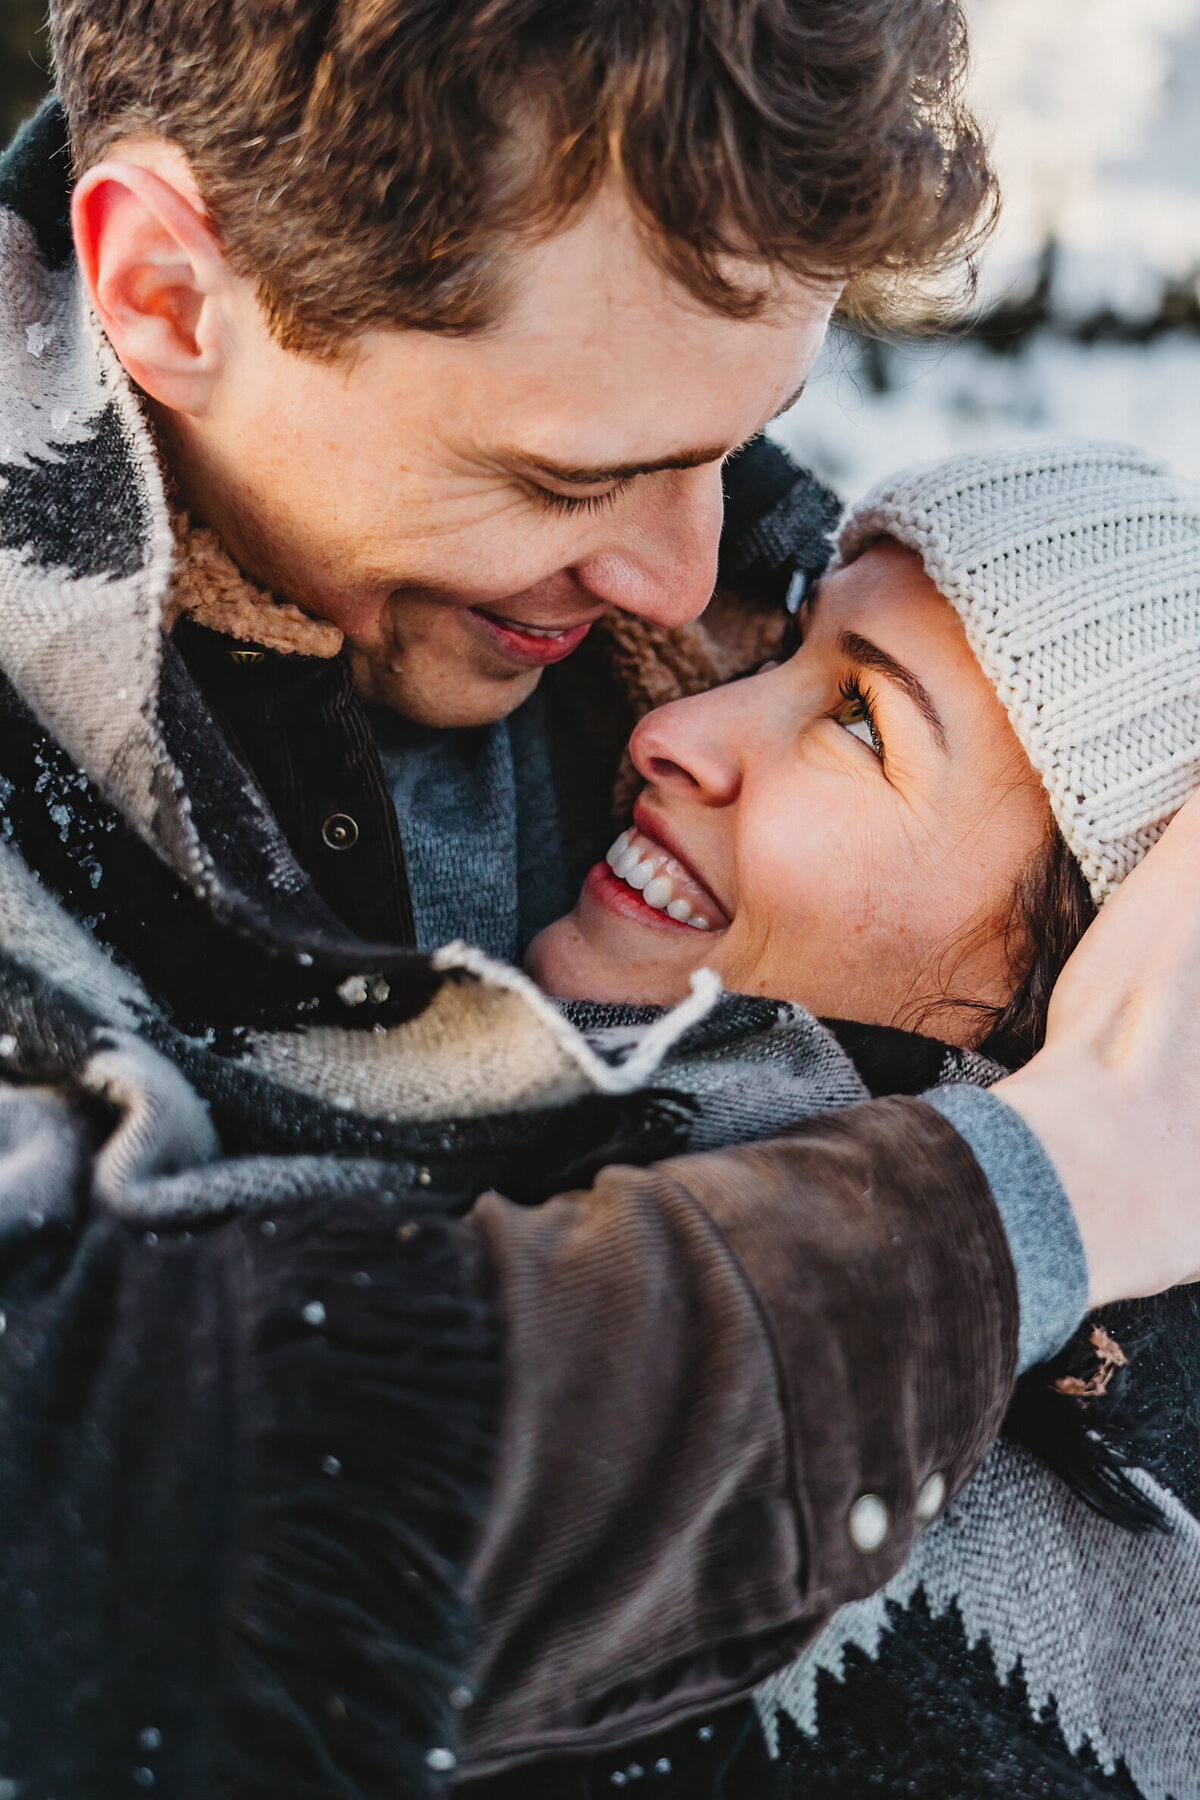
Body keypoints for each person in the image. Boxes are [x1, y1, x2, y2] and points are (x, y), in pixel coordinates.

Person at [3, 5, 1200, 1795]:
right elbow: (90, 1539)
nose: (686, 579)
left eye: (743, 438)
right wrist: (1030, 1201)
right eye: (568, 476)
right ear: (172, 294)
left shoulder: (682, 547)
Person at [520, 439, 1200, 1796]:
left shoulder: (934, 1659)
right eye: (786, 651)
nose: (678, 731)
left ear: (1063, 993)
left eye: (858, 723)